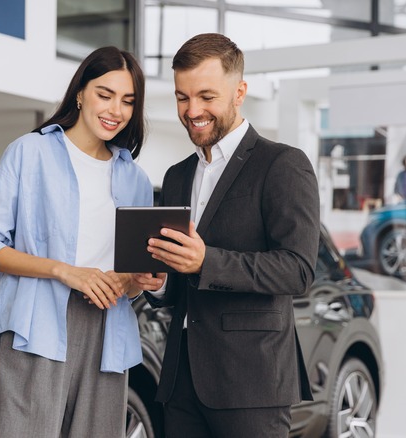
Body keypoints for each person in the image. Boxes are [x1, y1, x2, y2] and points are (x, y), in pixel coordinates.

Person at [133, 33, 318, 437]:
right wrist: (162, 283)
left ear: (240, 92)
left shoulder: (282, 164)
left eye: (206, 96)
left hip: (252, 382)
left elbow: (299, 270)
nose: (192, 110)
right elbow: (182, 286)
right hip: (181, 382)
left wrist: (207, 261)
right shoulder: (177, 176)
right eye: (182, 98)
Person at [0, 46, 153, 438]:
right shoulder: (29, 152)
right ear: (80, 93)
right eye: (105, 94)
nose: (115, 110)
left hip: (108, 331)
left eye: (127, 101)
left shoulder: (135, 178)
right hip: (37, 323)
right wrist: (65, 271)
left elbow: (135, 279)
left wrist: (138, 279)